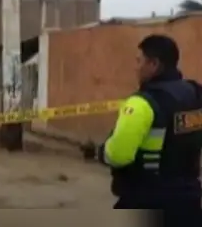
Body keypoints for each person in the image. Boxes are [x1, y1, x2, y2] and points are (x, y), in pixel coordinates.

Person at [80, 34, 202, 210]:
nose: (135, 68)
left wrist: (99, 152)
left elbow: (118, 155)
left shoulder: (142, 103)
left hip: (146, 198)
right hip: (189, 200)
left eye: (139, 61)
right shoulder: (195, 94)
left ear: (153, 64)